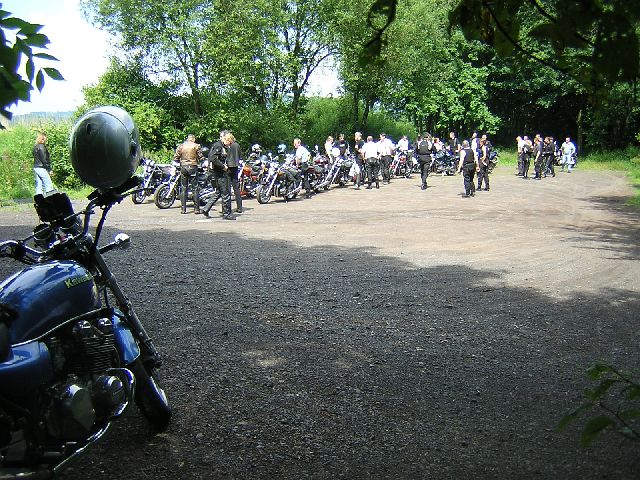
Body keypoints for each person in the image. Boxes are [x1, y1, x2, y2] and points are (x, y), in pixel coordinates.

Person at [203, 132, 235, 220]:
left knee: (218, 192)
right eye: (230, 142)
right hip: (220, 173)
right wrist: (223, 166)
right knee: (226, 193)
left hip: (216, 172)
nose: (230, 144)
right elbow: (213, 158)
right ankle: (226, 213)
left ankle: (206, 208)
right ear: (227, 139)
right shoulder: (219, 146)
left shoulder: (220, 145)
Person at [173, 134, 204, 214]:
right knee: (195, 188)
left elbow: (176, 157)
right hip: (193, 166)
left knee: (184, 188)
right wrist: (200, 160)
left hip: (183, 167)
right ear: (193, 139)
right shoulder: (196, 146)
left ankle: (183, 209)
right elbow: (201, 157)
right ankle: (196, 209)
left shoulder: (181, 146)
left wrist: (181, 161)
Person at [224, 132, 243, 213]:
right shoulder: (237, 145)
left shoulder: (228, 146)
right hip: (235, 166)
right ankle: (239, 207)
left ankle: (227, 208)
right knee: (236, 188)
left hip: (228, 167)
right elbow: (240, 156)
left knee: (227, 188)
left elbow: (226, 156)